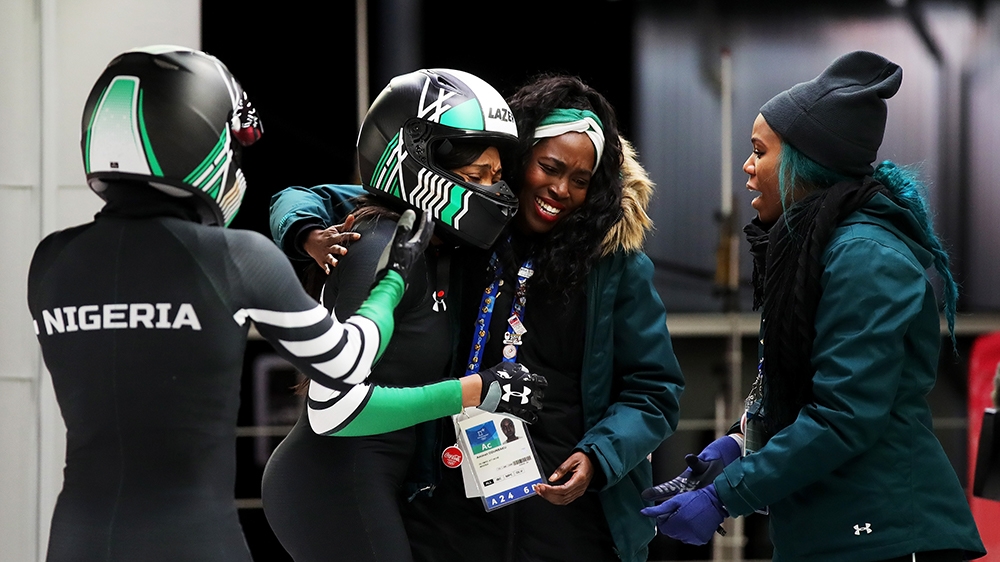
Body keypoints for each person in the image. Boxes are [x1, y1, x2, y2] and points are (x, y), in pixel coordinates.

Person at [27, 48, 542, 562]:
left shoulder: (50, 261)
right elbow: (340, 381)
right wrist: (394, 285)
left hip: (78, 532)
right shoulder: (239, 257)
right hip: (203, 529)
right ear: (202, 143)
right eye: (233, 146)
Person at [641, 51, 987, 562]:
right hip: (832, 533)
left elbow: (843, 416)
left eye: (759, 151)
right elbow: (804, 391)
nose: (747, 167)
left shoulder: (865, 256)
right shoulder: (818, 249)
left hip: (888, 535)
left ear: (804, 163)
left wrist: (726, 495)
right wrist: (739, 443)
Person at [262, 68, 547, 562]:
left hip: (373, 476)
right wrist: (478, 390)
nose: (494, 191)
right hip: (333, 478)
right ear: (413, 162)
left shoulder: (430, 246)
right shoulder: (379, 246)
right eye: (475, 176)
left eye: (496, 177)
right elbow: (333, 410)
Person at [401, 74, 685, 562]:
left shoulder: (616, 267)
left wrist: (599, 456)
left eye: (581, 180)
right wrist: (304, 231)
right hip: (451, 515)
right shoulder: (462, 228)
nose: (561, 189)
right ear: (518, 158)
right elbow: (326, 197)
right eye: (549, 167)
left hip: (569, 523)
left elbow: (655, 391)